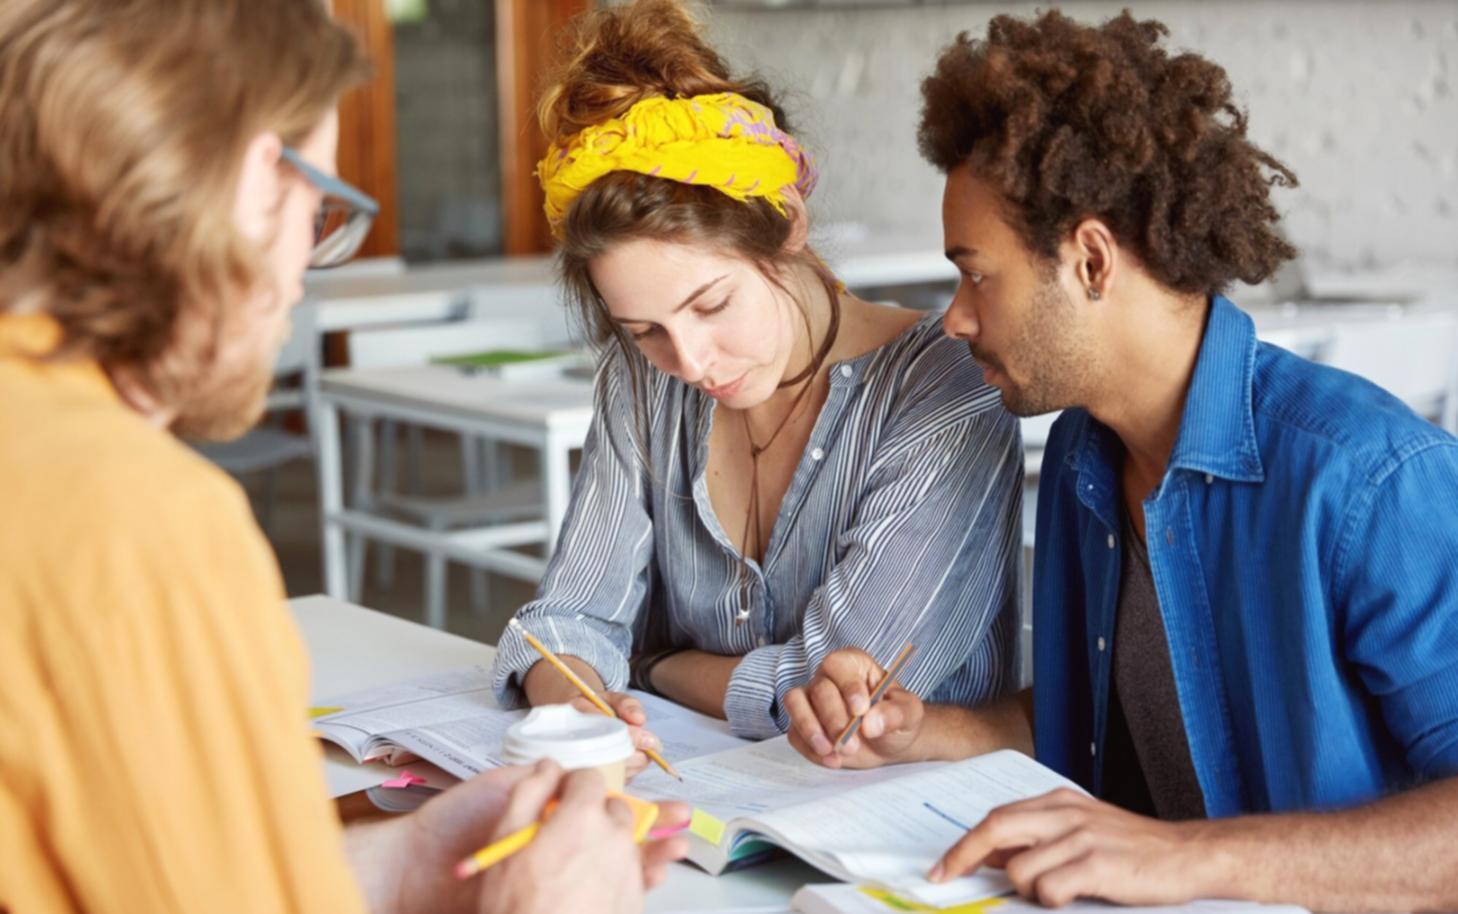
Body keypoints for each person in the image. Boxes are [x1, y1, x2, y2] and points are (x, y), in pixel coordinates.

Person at [0, 2, 685, 912]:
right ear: (255, 183)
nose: (303, 273)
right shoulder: (135, 519)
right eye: (319, 208)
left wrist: (404, 867)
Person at [784, 9, 1458, 912]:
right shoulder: (1080, 455)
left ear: (1091, 260)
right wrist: (920, 733)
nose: (955, 317)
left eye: (976, 273)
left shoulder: (1369, 481)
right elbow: (1098, 726)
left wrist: (1190, 860)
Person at [488, 0, 1024, 765]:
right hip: (713, 804)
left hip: (902, 829)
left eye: (711, 304)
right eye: (645, 331)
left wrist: (652, 664)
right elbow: (567, 619)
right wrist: (584, 705)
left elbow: (837, 696)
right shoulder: (641, 384)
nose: (692, 360)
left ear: (788, 224)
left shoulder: (941, 391)